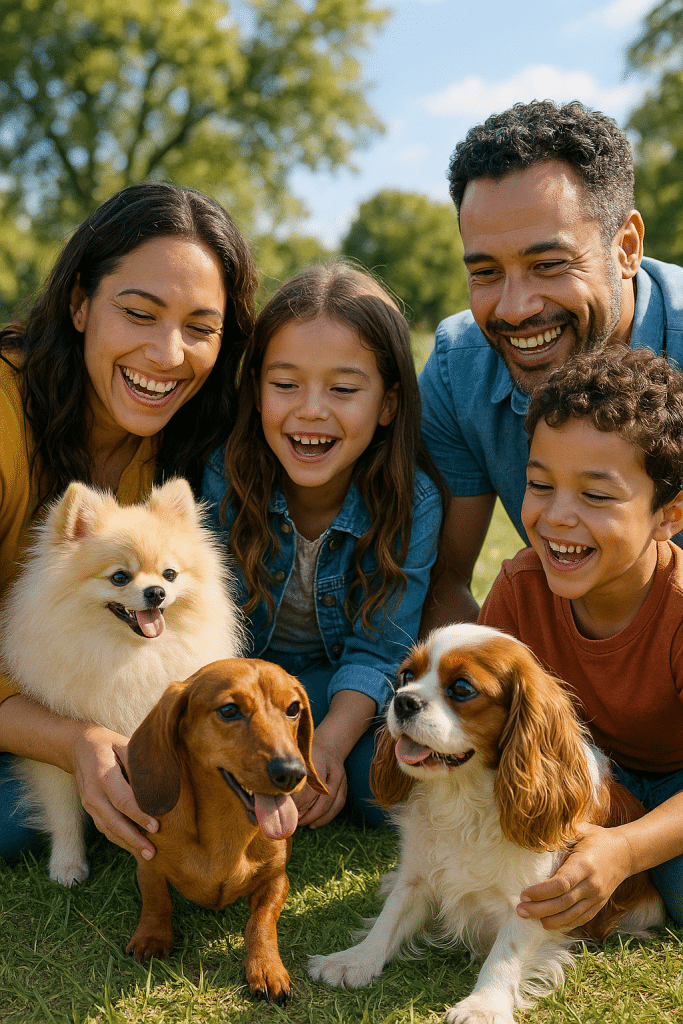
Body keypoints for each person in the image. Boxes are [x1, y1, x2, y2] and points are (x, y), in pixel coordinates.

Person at [0, 182, 258, 863]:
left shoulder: (177, 449)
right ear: (79, 303)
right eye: (139, 313)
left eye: (200, 328)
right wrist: (71, 741)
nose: (169, 353)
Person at [418, 99, 683, 630]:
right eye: (487, 272)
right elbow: (442, 581)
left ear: (626, 247)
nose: (516, 308)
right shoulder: (457, 367)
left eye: (549, 265)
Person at [202, 261, 447, 828]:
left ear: (388, 404)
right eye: (285, 385)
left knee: (379, 781)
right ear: (257, 389)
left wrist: (329, 746)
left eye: (342, 389)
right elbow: (209, 635)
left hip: (338, 688)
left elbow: (379, 650)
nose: (310, 410)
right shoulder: (225, 478)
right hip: (241, 681)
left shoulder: (414, 503)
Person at [479, 347, 683, 927]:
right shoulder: (521, 587)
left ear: (669, 514)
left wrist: (624, 849)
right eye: (540, 485)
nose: (557, 516)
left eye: (596, 496)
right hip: (582, 773)